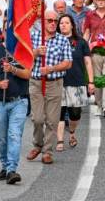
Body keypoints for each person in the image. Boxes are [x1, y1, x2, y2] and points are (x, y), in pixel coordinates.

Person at [0, 33, 32, 185]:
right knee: (2, 138)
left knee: (14, 135)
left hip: (19, 101)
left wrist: (12, 69)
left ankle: (12, 170)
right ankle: (5, 167)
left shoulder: (24, 51)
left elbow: (28, 74)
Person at [27, 10, 73, 165]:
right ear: (43, 22)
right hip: (36, 81)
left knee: (52, 121)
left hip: (54, 82)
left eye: (55, 21)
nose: (53, 23)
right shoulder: (33, 37)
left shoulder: (62, 40)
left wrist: (52, 68)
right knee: (38, 118)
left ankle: (47, 151)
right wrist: (35, 52)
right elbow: (22, 58)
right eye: (50, 20)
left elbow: (68, 62)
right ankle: (38, 144)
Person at [55, 14, 94, 151]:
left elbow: (88, 62)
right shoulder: (54, 40)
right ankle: (59, 140)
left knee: (75, 114)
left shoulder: (81, 42)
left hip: (77, 82)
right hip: (58, 81)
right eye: (61, 23)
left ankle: (71, 133)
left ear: (72, 25)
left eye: (66, 22)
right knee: (59, 112)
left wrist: (91, 82)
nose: (63, 25)